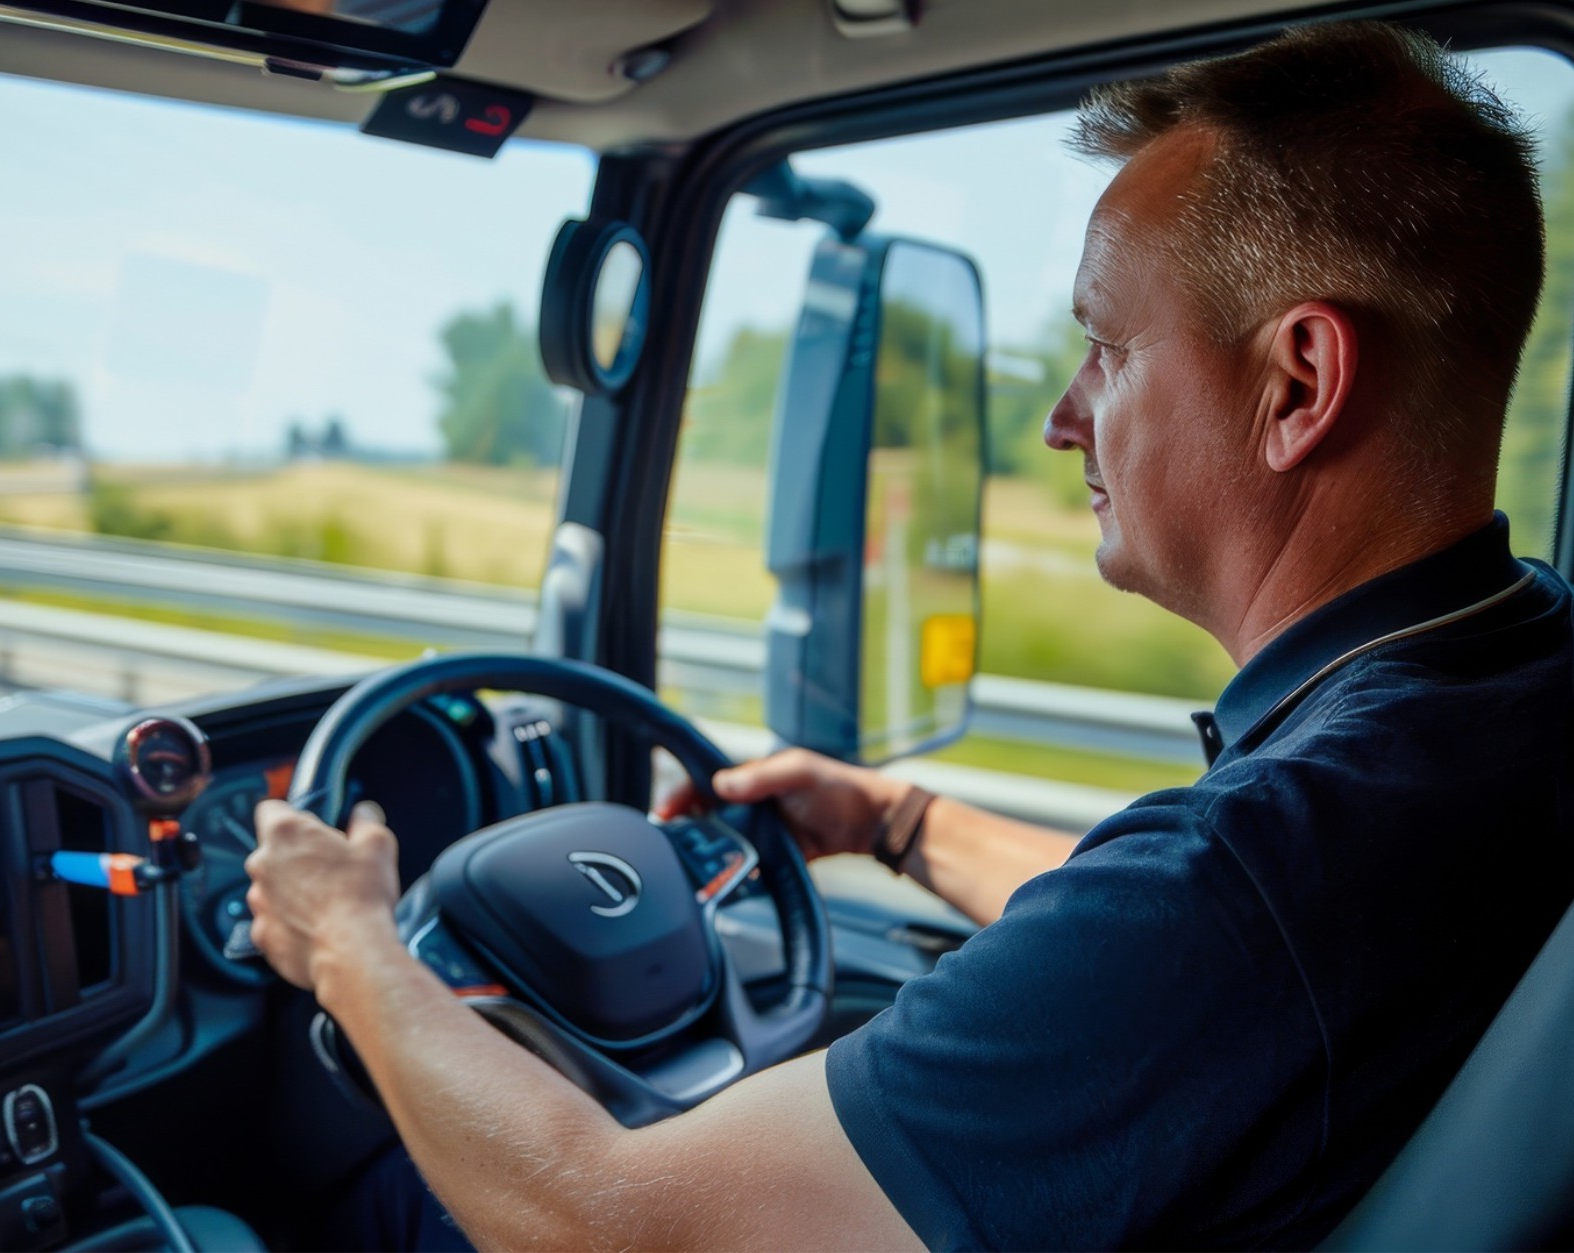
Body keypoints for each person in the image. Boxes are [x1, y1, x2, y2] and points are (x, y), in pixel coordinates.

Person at [245, 20, 1574, 1249]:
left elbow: (621, 1225)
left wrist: (349, 942)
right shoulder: (1503, 691)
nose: (1062, 417)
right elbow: (1171, 965)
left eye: (1106, 349)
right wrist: (897, 822)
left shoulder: (1248, 879)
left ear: (1296, 384)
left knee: (360, 1207)